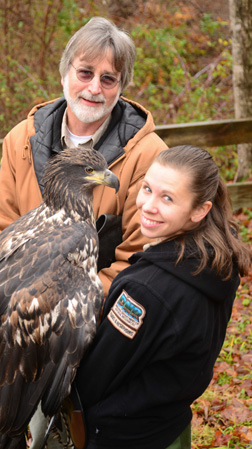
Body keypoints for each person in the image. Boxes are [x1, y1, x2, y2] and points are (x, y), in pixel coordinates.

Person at [73, 145, 252, 449]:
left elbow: (93, 380)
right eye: (147, 189)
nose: (147, 205)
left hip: (120, 436)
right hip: (168, 424)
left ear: (200, 210)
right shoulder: (214, 260)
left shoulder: (145, 292)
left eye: (167, 198)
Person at [0, 16, 167, 298]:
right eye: (85, 73)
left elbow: (139, 259)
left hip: (96, 318)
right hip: (18, 312)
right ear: (64, 73)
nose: (94, 88)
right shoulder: (21, 140)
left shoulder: (147, 155)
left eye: (108, 79)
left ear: (120, 87)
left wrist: (62, 308)